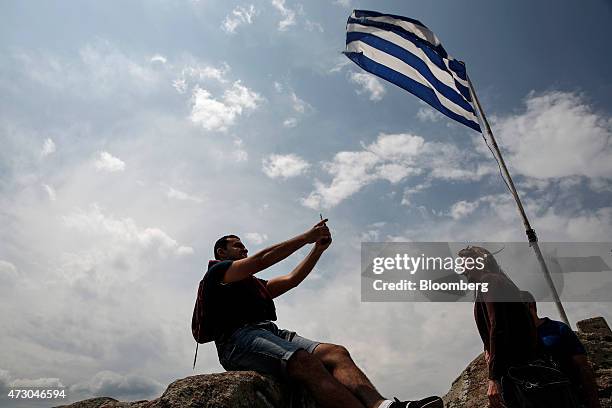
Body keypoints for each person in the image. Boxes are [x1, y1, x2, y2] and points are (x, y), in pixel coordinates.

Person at [198, 219, 444, 408]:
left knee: (335, 352)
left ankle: (382, 406)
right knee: (303, 360)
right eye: (237, 245)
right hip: (237, 340)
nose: (244, 248)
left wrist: (317, 250)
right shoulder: (218, 274)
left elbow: (292, 279)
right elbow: (262, 259)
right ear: (221, 253)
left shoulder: (253, 285)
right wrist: (306, 237)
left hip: (268, 331)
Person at [458, 246, 538, 408]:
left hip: (518, 372)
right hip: (518, 371)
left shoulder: (490, 281)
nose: (462, 271)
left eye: (465, 265)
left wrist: (493, 378)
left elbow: (498, 327)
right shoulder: (493, 283)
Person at [521, 291, 601, 408]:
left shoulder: (558, 329)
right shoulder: (518, 340)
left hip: (570, 398)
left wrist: (594, 403)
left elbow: (583, 367)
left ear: (530, 305)